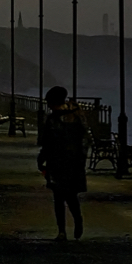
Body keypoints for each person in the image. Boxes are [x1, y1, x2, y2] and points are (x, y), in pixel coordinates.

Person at [36, 85, 90, 240]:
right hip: (69, 162)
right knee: (65, 195)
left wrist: (42, 159)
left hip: (61, 162)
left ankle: (66, 228)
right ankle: (68, 226)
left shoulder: (54, 119)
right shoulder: (77, 115)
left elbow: (47, 142)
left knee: (62, 196)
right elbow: (86, 139)